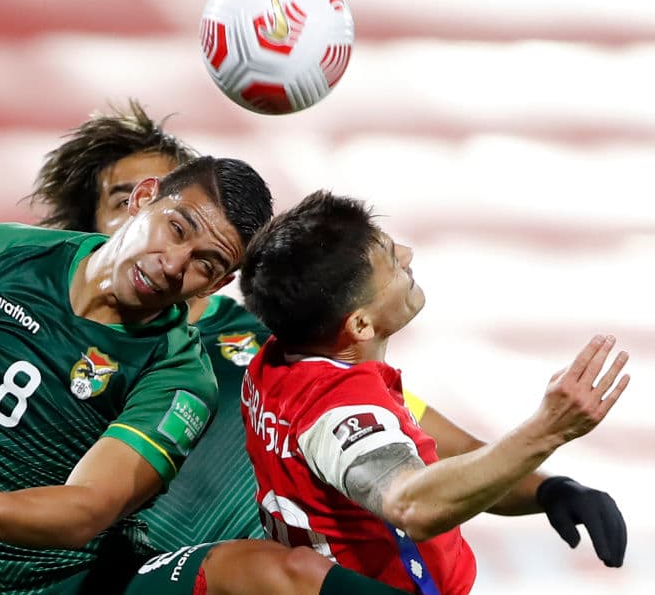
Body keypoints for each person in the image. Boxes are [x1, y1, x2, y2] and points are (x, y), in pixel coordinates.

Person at [0, 101, 270, 553]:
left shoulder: (261, 340)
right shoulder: (33, 368)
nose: (171, 240)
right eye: (124, 198)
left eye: (179, 209)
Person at [238, 190, 631, 594]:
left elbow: (456, 451)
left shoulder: (281, 360)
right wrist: (548, 430)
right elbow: (412, 505)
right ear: (360, 325)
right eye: (391, 262)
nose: (408, 255)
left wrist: (548, 490)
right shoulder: (341, 411)